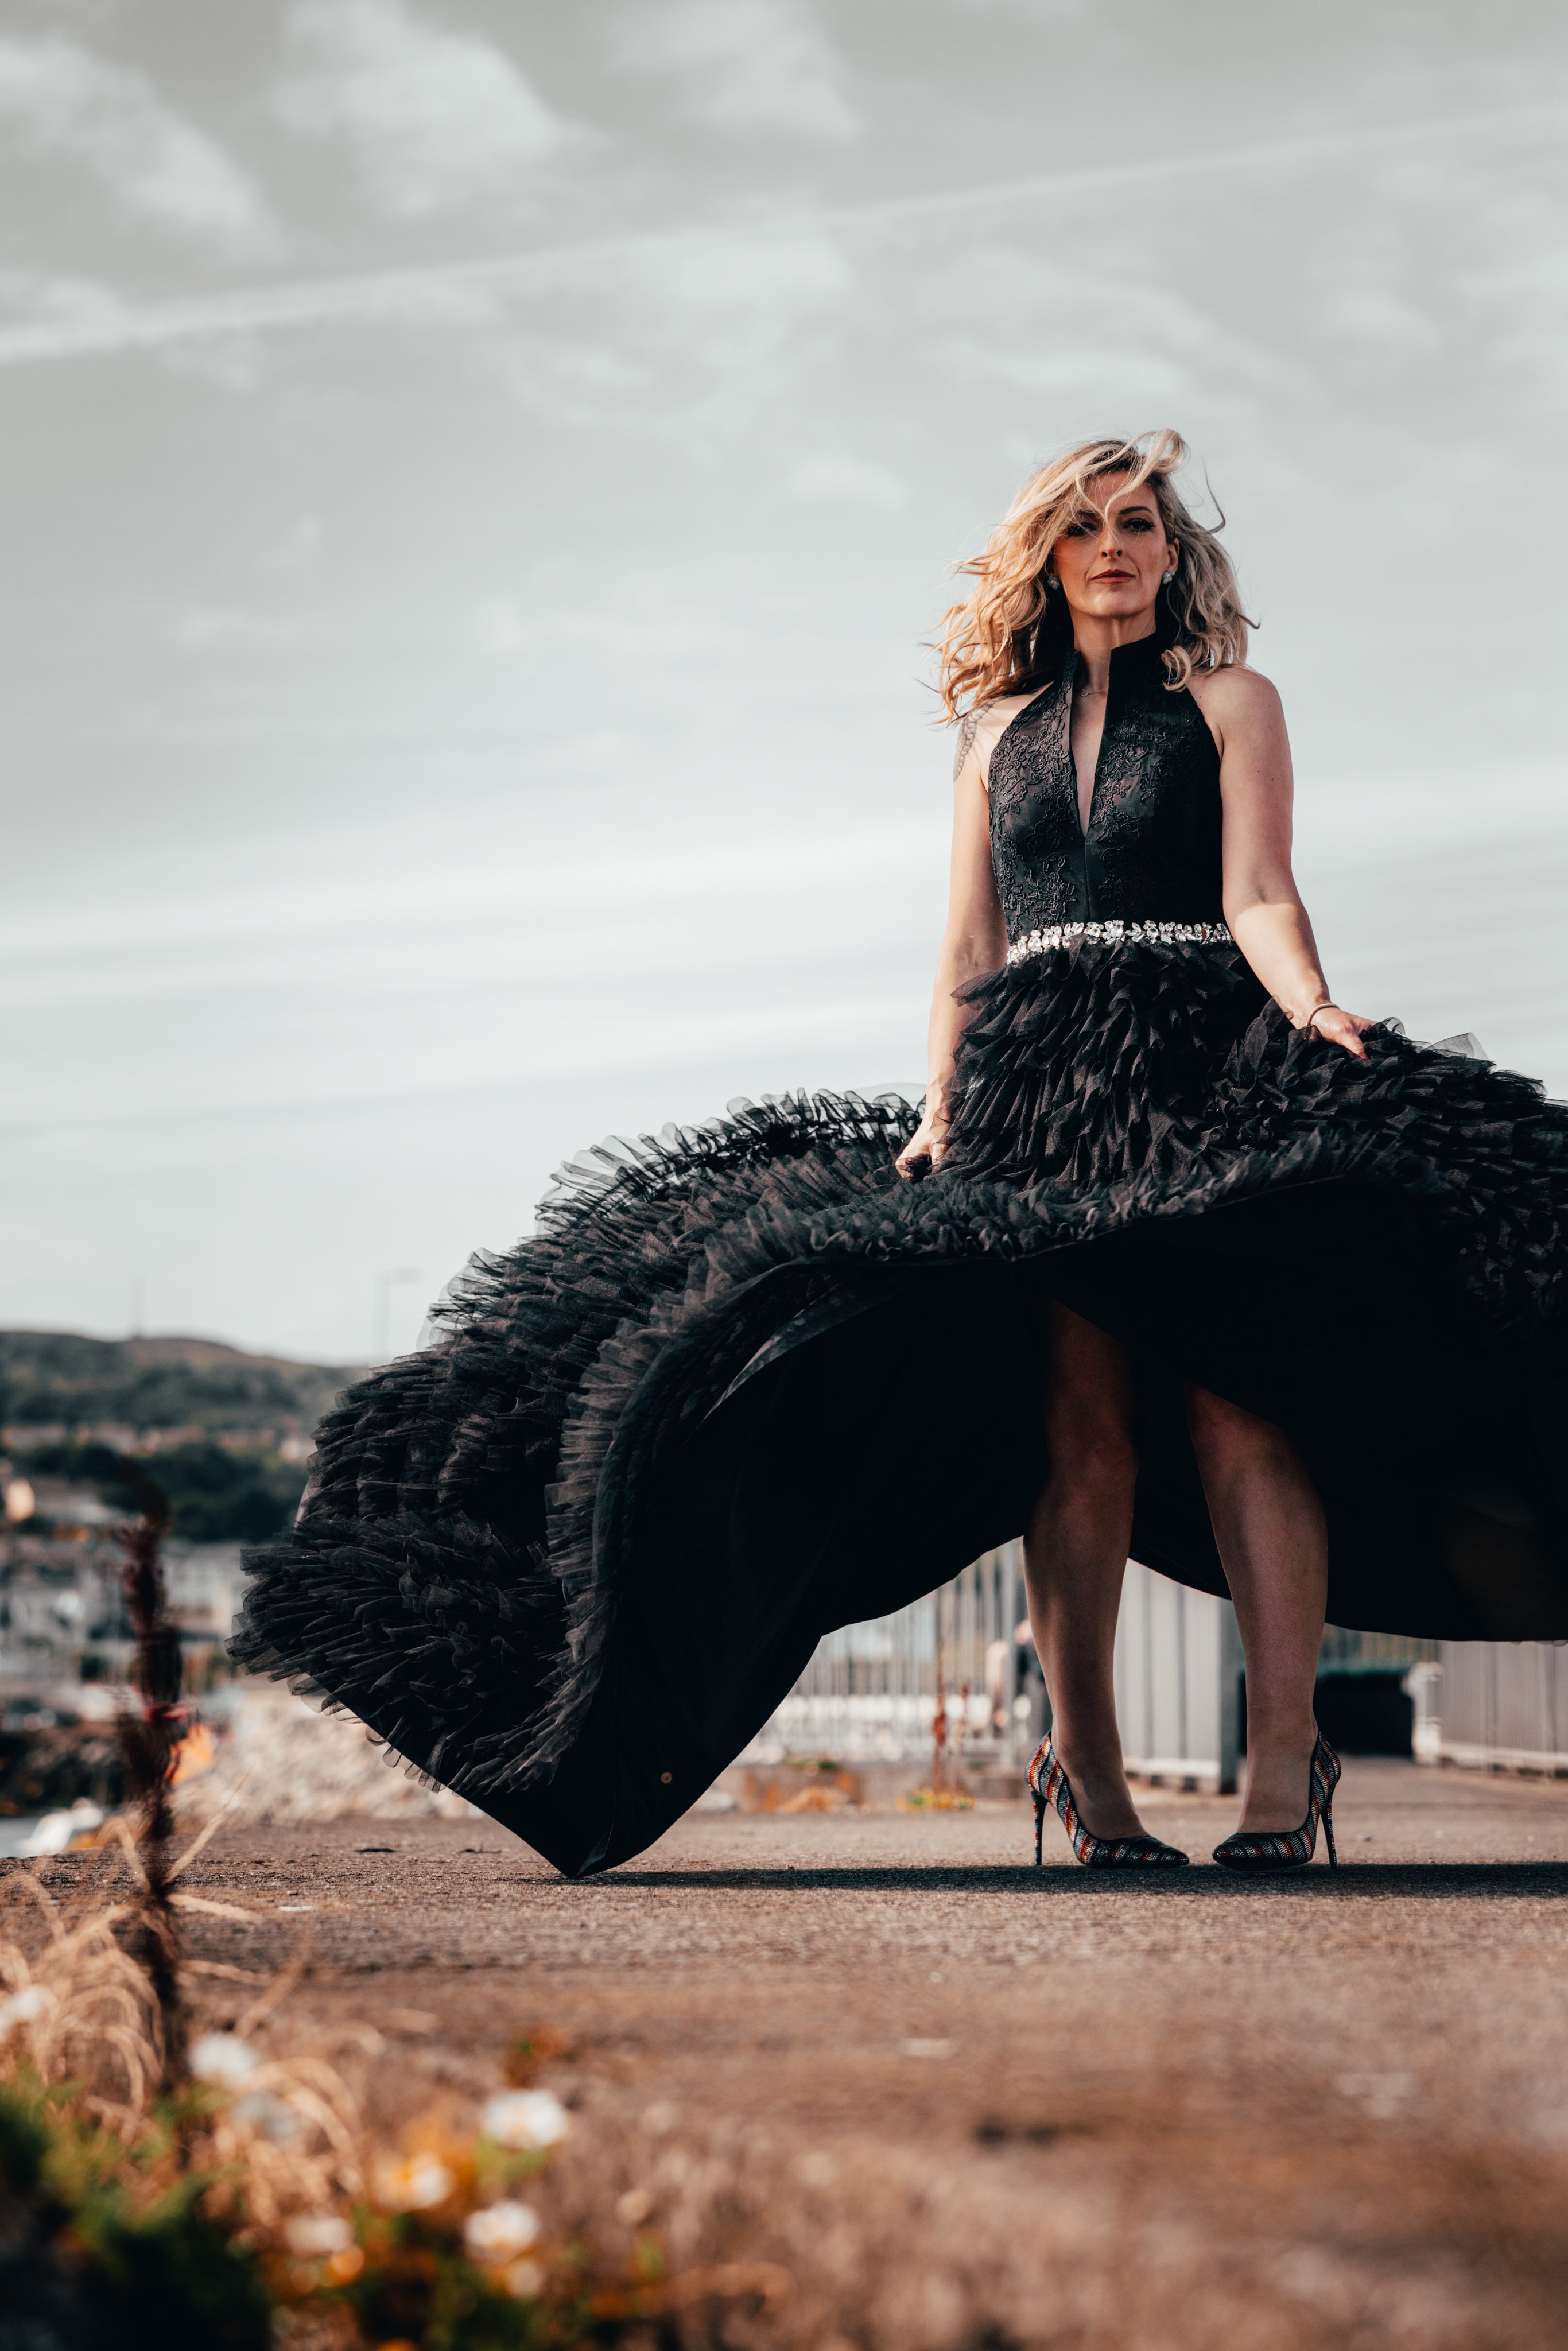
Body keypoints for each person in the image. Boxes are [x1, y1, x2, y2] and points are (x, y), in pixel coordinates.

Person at [235, 431, 1568, 1880]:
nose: (1112, 546)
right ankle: (1095, 1782)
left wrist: (1310, 1006)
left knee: (1240, 1414)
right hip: (1039, 1090)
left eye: (1137, 524)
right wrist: (940, 1109)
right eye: (1082, 529)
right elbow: (966, 946)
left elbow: (1256, 887)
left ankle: (1275, 1775)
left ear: (1172, 554)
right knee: (1084, 1434)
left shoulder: (1233, 698)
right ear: (1047, 559)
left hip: (1202, 1069)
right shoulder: (993, 731)